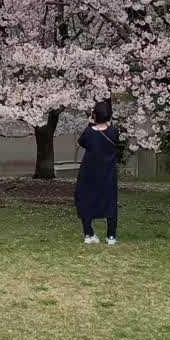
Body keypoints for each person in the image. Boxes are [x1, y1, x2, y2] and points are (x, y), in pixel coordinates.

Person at [75, 99, 120, 245]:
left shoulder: (89, 132)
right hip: (107, 173)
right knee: (110, 202)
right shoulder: (113, 132)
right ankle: (111, 236)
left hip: (89, 173)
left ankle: (89, 234)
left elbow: (81, 142)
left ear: (95, 116)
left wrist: (90, 123)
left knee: (86, 200)